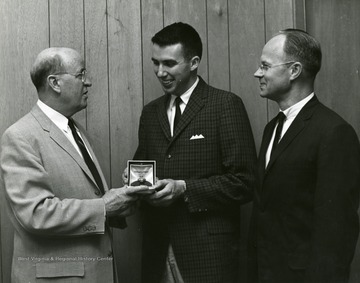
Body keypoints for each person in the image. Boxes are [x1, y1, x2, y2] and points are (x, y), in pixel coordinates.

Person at [0, 47, 146, 283]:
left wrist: (119, 207)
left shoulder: (76, 131)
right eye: (81, 75)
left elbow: (87, 195)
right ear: (55, 83)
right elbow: (36, 214)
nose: (88, 82)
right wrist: (104, 207)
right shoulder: (20, 136)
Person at [132, 22, 257, 283]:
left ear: (194, 62)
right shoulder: (150, 112)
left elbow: (245, 182)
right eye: (155, 63)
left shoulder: (225, 105)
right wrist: (132, 176)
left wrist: (184, 188)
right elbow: (145, 165)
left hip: (208, 256)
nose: (160, 72)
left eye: (169, 63)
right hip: (157, 253)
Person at [247, 29, 360, 283]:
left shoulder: (334, 132)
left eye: (265, 66)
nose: (257, 73)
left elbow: (336, 231)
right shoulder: (271, 129)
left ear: (294, 71)